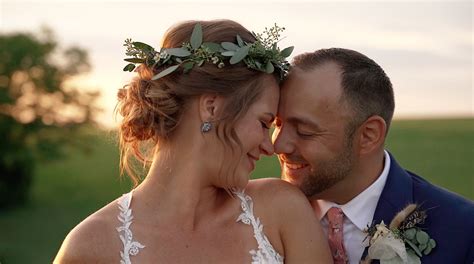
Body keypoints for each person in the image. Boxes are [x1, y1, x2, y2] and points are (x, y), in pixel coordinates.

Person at [54, 20, 332, 264]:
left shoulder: (282, 211)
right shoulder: (92, 247)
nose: (269, 146)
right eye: (262, 123)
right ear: (212, 107)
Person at [272, 48, 474, 264]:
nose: (277, 145)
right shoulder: (252, 216)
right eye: (277, 124)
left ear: (369, 135)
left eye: (304, 131)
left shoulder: (464, 230)